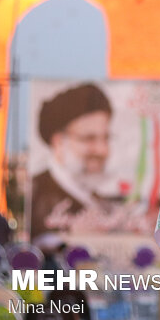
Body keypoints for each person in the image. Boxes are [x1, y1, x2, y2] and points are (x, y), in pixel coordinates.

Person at [31, 83, 119, 238]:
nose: (102, 150)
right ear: (58, 142)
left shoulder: (100, 200)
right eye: (89, 138)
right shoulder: (35, 194)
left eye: (105, 138)